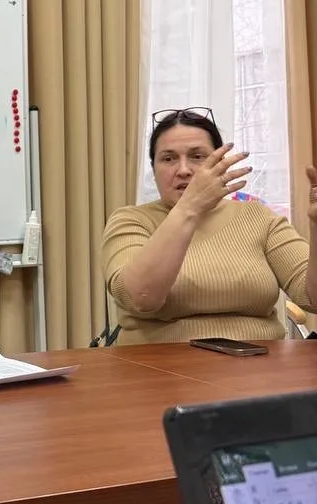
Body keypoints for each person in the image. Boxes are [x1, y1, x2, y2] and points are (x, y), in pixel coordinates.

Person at [101, 107, 317, 344]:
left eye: (197, 156)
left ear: (220, 165)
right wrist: (189, 208)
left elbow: (312, 299)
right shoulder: (130, 220)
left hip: (260, 359)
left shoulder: (259, 217)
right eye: (168, 158)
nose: (183, 170)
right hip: (160, 362)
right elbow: (140, 297)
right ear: (154, 170)